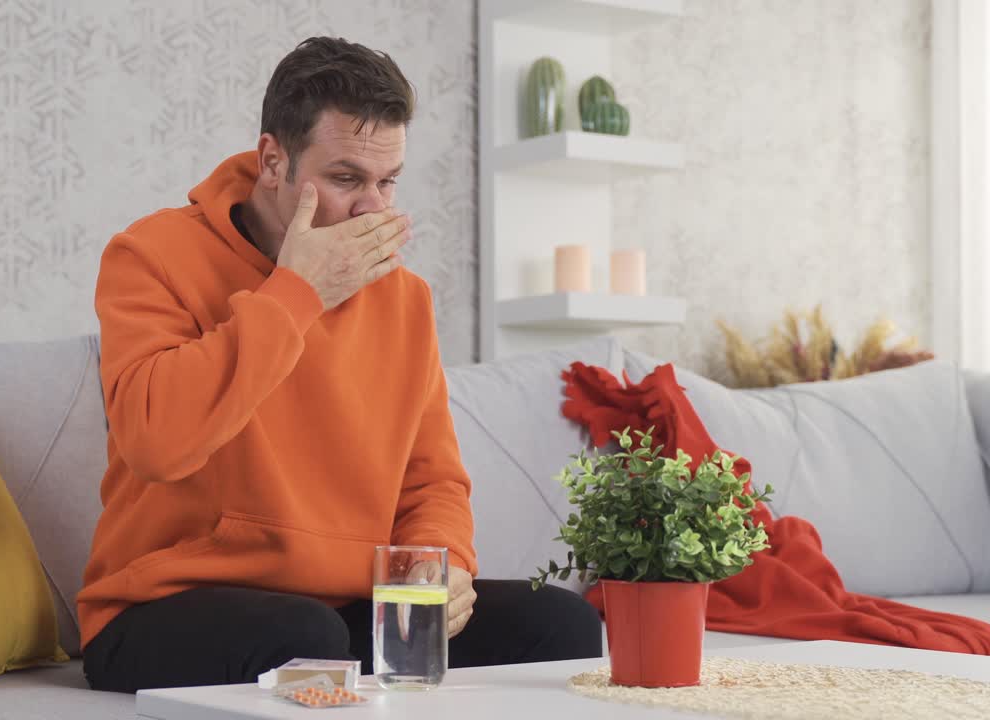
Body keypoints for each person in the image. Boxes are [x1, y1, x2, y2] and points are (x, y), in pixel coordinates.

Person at [79, 36, 602, 693]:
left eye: (387, 182)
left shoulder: (403, 298)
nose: (373, 208)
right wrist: (298, 294)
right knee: (305, 640)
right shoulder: (151, 255)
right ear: (274, 160)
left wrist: (442, 566)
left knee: (561, 624)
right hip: (159, 610)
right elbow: (156, 442)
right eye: (346, 178)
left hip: (342, 610)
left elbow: (431, 477)